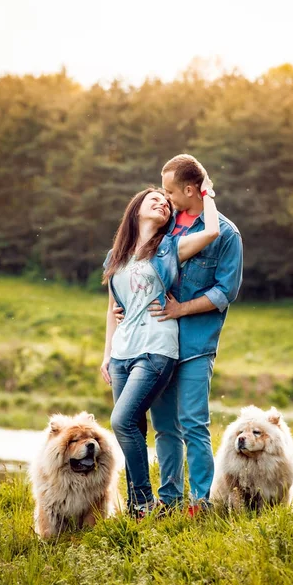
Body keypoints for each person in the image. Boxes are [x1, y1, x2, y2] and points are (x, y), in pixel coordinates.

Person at [115, 155, 244, 514]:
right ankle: (169, 502)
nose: (165, 197)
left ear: (190, 190)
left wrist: (181, 309)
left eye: (170, 190)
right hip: (157, 345)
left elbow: (225, 292)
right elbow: (140, 271)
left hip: (195, 343)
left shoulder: (226, 233)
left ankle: (202, 503)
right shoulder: (166, 229)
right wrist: (127, 303)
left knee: (193, 424)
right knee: (165, 429)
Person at [100, 181, 219, 518]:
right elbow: (112, 309)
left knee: (121, 421)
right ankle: (143, 508)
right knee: (133, 427)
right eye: (155, 199)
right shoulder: (116, 256)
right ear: (136, 209)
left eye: (167, 203)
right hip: (123, 351)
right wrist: (107, 354)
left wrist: (206, 192)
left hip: (156, 348)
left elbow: (211, 231)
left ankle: (143, 502)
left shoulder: (169, 248)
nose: (163, 204)